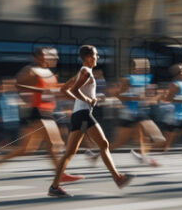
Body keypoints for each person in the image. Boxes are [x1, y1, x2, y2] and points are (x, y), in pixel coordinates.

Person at [0, 47, 83, 183]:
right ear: (38, 57)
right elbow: (18, 86)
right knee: (55, 144)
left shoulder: (49, 73)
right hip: (36, 112)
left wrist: (76, 95)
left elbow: (54, 92)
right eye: (51, 56)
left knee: (26, 149)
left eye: (55, 56)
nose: (55, 59)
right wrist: (42, 91)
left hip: (46, 111)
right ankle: (60, 173)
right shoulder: (30, 71)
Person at [48, 45, 133, 197]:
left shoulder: (82, 72)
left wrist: (87, 98)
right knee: (104, 144)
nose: (97, 58)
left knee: (69, 153)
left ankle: (54, 187)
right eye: (95, 55)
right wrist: (88, 99)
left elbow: (64, 90)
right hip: (83, 114)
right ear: (88, 57)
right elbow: (73, 90)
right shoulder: (86, 72)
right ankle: (117, 177)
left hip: (78, 114)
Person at [99, 58, 165, 166]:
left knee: (159, 139)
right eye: (143, 66)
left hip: (140, 112)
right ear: (134, 68)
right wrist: (137, 98)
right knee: (118, 143)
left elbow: (152, 93)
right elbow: (118, 95)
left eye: (147, 66)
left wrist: (153, 98)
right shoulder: (127, 79)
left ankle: (142, 156)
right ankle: (97, 155)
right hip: (127, 114)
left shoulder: (147, 79)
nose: (146, 68)